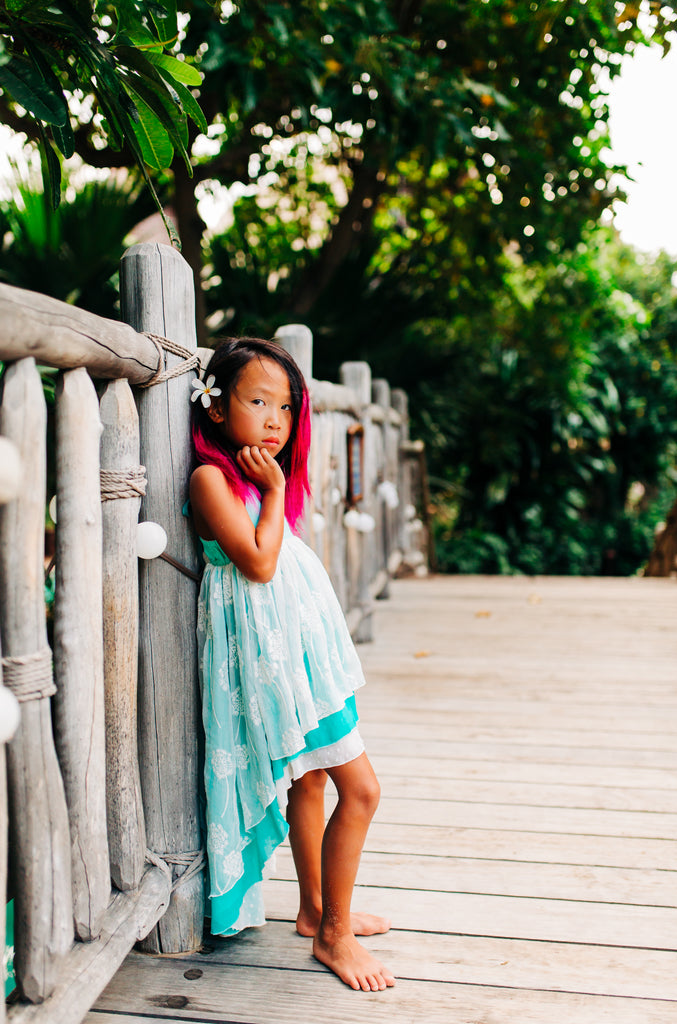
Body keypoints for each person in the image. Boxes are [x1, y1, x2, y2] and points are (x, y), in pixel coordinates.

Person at [188, 337, 395, 992]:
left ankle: (313, 911)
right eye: (257, 402)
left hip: (303, 657)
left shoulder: (251, 474)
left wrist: (273, 487)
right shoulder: (211, 479)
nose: (275, 421)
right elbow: (257, 560)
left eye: (285, 407)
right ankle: (333, 937)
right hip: (273, 662)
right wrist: (275, 494)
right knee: (360, 789)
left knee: (311, 782)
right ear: (216, 408)